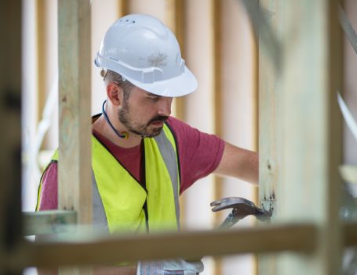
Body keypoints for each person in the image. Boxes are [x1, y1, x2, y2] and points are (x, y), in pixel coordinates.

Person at [36, 14, 258, 275]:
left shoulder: (170, 137)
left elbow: (249, 165)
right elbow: (49, 268)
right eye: (153, 97)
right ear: (115, 94)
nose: (166, 109)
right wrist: (146, 269)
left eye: (169, 96)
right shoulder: (66, 172)